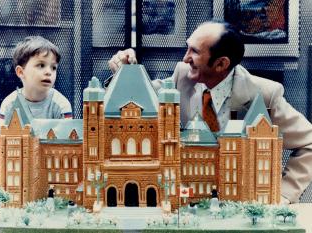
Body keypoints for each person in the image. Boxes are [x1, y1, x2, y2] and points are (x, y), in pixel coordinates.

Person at [108, 20, 312, 204]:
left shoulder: (265, 94)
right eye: (187, 47)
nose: (185, 57)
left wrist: (284, 194)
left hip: (240, 203)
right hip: (190, 200)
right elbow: (139, 98)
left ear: (221, 64)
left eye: (194, 51)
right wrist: (125, 71)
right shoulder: (182, 77)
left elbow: (308, 143)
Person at [0, 36, 72, 131]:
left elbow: (67, 141)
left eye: (53, 68)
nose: (49, 72)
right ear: (20, 72)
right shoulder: (9, 104)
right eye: (41, 65)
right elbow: (2, 139)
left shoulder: (61, 105)